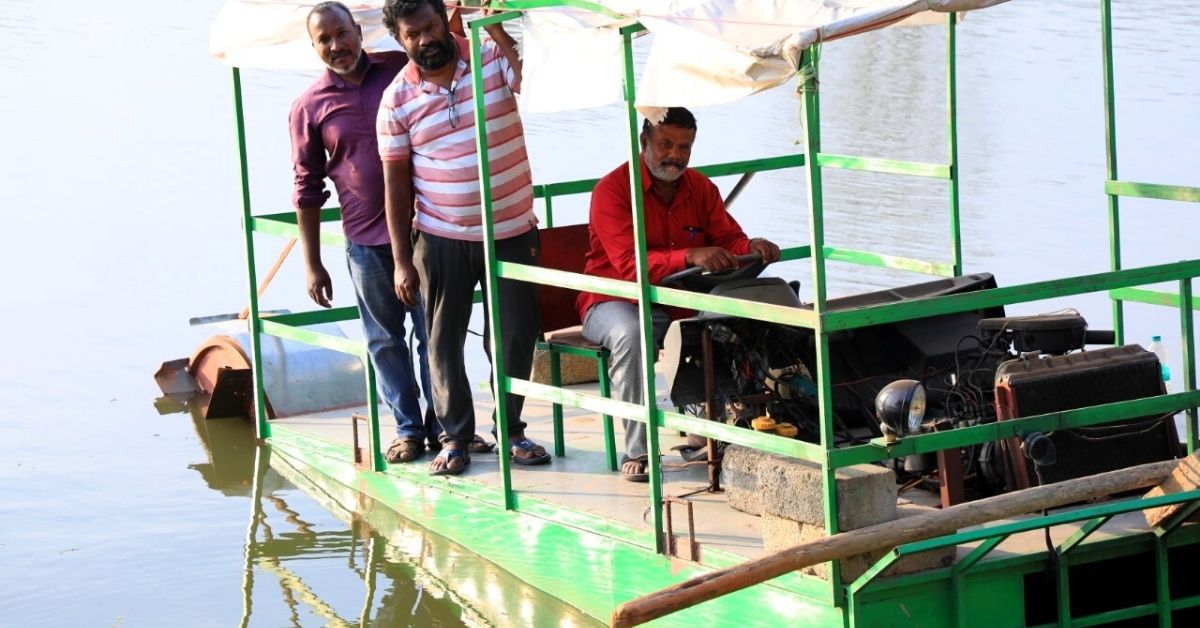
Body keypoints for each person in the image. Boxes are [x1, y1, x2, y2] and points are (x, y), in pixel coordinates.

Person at [377, 0, 549, 476]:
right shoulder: (396, 99)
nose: (425, 39)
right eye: (413, 34)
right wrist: (400, 260)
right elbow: (395, 185)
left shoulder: (490, 56)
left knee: (514, 336)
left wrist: (495, 31)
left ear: (444, 21)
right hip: (440, 235)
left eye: (431, 26)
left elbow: (531, 84)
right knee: (442, 339)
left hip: (511, 230)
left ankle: (511, 432)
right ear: (400, 40)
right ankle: (455, 438)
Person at [577, 107, 781, 482]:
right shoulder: (613, 190)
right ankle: (637, 449)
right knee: (633, 333)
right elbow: (627, 264)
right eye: (665, 144)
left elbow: (727, 237)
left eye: (684, 147)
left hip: (676, 296)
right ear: (644, 142)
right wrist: (688, 254)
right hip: (613, 297)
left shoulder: (702, 188)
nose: (675, 155)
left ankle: (724, 429)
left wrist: (751, 244)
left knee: (732, 320)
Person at [289, 1, 439, 463]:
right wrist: (312, 263)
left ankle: (447, 427)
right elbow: (307, 189)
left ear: (359, 31)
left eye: (342, 33)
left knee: (434, 334)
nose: (337, 46)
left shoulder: (400, 67)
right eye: (324, 40)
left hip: (427, 231)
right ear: (314, 47)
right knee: (383, 340)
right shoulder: (310, 106)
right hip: (366, 243)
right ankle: (409, 429)